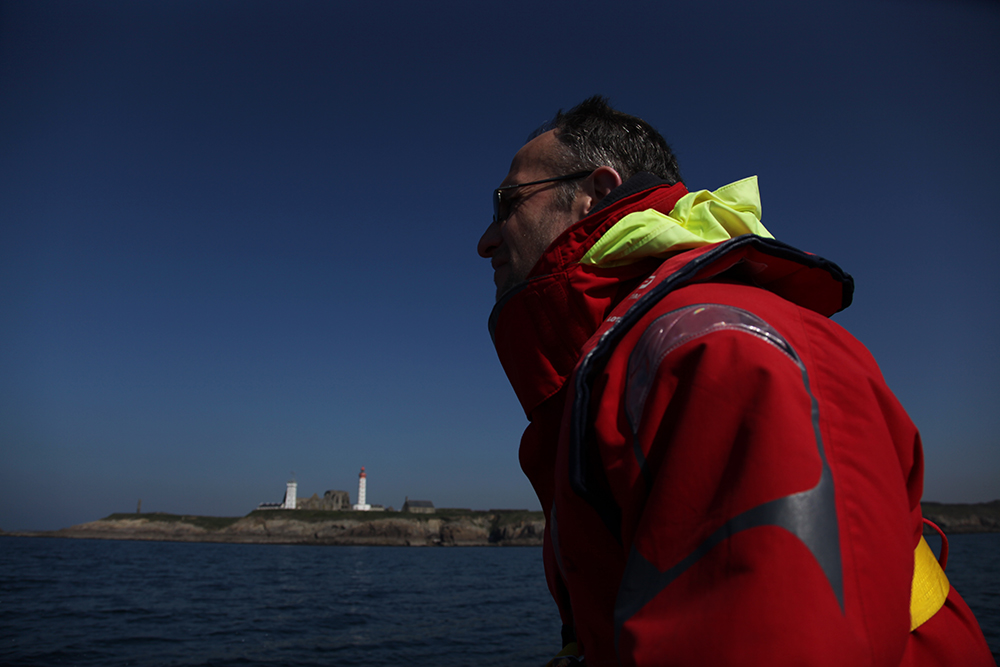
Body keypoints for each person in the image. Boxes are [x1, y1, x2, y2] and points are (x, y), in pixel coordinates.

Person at [477, 96, 994, 667]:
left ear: (596, 191)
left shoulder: (720, 349)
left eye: (507, 203)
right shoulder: (639, 356)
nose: (487, 239)